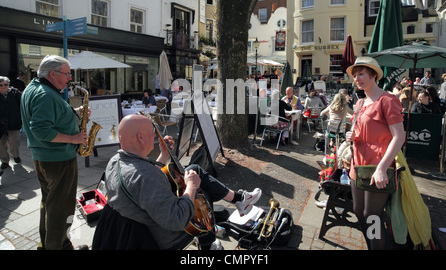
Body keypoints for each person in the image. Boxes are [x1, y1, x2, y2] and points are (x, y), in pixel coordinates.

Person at [98, 114, 262, 250]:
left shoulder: (116, 160)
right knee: (202, 197)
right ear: (140, 137)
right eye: (152, 131)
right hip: (157, 235)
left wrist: (163, 155)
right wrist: (191, 187)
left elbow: (142, 184)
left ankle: (239, 199)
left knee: (193, 169)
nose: (156, 135)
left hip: (123, 225)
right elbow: (176, 219)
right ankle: (207, 243)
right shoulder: (144, 176)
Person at [20, 55, 89, 250]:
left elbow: (51, 116)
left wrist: (75, 111)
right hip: (58, 160)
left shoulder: (34, 88)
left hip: (44, 158)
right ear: (53, 73)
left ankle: (49, 244)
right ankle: (60, 246)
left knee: (50, 205)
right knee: (61, 208)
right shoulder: (46, 95)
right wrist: (74, 139)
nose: (69, 78)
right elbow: (42, 130)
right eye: (67, 74)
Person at [345, 57, 405, 250]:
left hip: (377, 166)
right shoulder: (360, 103)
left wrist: (381, 169)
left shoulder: (388, 100)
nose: (357, 79)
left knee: (372, 216)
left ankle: (377, 245)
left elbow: (399, 136)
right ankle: (374, 244)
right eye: (355, 76)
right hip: (358, 165)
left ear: (373, 75)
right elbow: (363, 131)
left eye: (361, 74)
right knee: (359, 211)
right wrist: (353, 135)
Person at [0, 76, 22, 173]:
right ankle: (4, 161)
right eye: (1, 85)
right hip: (0, 125)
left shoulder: (15, 93)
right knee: (1, 144)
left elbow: (22, 105)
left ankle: (15, 155)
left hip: (14, 122)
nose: (4, 86)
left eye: (6, 84)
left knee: (14, 142)